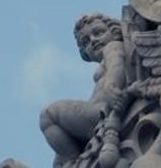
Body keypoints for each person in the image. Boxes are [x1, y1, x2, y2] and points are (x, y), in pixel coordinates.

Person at [39, 13, 126, 163]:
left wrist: (113, 86)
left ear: (115, 31)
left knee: (49, 115)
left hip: (102, 112)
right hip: (97, 116)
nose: (93, 41)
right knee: (58, 158)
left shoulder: (113, 46)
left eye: (98, 32)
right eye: (85, 42)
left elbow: (117, 64)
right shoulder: (105, 59)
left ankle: (73, 161)